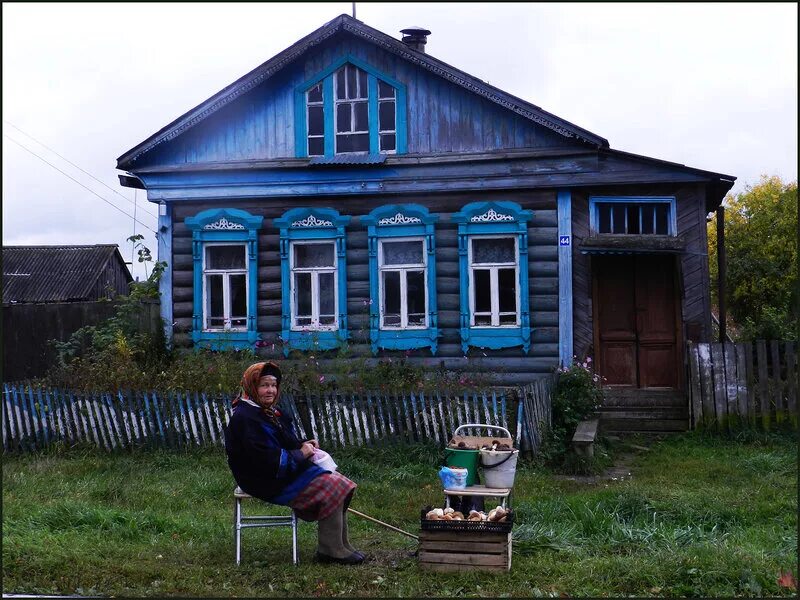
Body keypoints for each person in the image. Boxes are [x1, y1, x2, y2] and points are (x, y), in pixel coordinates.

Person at [224, 361, 364, 564]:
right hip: (263, 479)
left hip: (280, 471)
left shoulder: (267, 412)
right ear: (252, 387)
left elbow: (285, 442)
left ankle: (341, 544)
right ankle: (330, 549)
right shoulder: (246, 419)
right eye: (264, 385)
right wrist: (301, 453)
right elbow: (268, 461)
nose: (270, 390)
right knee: (332, 486)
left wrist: (303, 445)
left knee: (342, 482)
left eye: (273, 385)